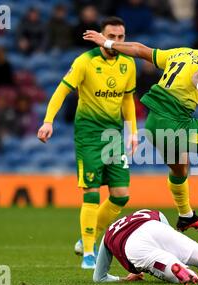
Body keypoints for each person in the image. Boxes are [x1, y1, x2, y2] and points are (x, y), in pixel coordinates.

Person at [83, 30, 198, 233]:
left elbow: (140, 50)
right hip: (175, 125)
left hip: (152, 124)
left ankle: (185, 216)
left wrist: (107, 43)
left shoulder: (180, 53)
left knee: (179, 168)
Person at [38, 17, 138, 269]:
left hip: (114, 136)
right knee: (91, 193)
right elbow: (61, 91)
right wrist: (48, 121)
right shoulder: (85, 61)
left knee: (121, 196)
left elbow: (127, 100)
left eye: (121, 37)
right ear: (102, 36)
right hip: (89, 135)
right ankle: (89, 254)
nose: (116, 41)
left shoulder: (128, 62)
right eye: (112, 36)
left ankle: (87, 238)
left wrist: (133, 132)